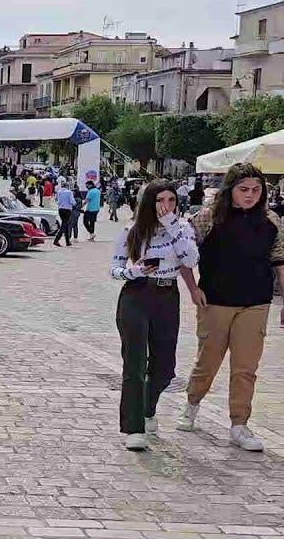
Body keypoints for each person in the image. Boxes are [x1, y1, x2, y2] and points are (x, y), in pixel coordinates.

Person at [180, 164, 284, 451]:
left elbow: (279, 261)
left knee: (245, 368)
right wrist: (193, 288)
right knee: (208, 361)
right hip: (215, 301)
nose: (250, 195)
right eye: (244, 190)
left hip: (256, 303)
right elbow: (183, 253)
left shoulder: (271, 220)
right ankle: (191, 403)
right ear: (231, 190)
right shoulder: (208, 217)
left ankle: (239, 424)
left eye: (256, 189)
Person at [109, 180, 199, 451]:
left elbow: (191, 260)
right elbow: (114, 268)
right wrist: (131, 272)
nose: (166, 206)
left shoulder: (182, 229)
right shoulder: (132, 230)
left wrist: (173, 225)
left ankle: (147, 409)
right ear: (149, 202)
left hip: (167, 295)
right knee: (134, 363)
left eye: (171, 200)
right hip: (136, 294)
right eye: (160, 200)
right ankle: (133, 427)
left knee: (165, 366)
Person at [52, 179, 76, 247]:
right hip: (67, 209)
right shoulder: (69, 192)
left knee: (65, 224)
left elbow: (56, 199)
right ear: (67, 186)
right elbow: (72, 201)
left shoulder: (59, 192)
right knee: (64, 225)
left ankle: (67, 241)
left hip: (61, 209)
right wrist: (75, 204)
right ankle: (56, 240)